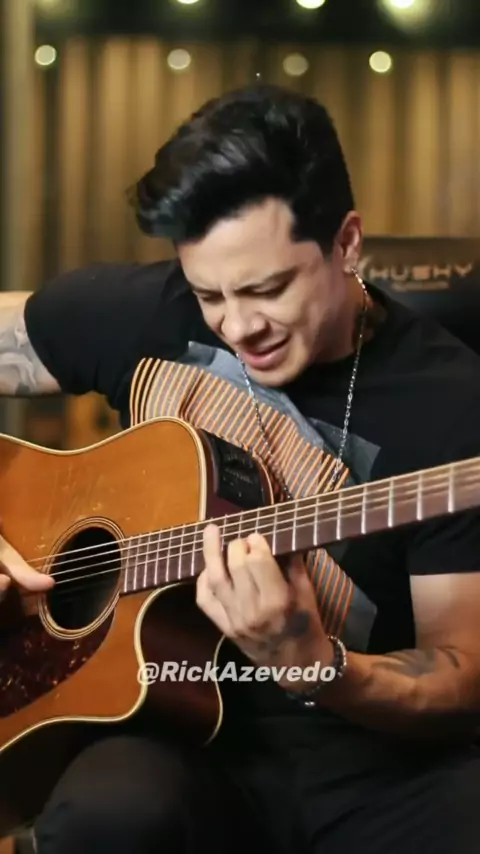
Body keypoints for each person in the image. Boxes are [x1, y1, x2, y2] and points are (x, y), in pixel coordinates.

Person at [1, 83, 480, 854]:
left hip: (370, 760)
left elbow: (459, 680)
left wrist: (315, 665)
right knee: (107, 818)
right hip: (168, 725)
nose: (237, 325)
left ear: (347, 243)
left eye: (267, 288)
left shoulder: (450, 402)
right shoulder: (141, 313)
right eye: (209, 295)